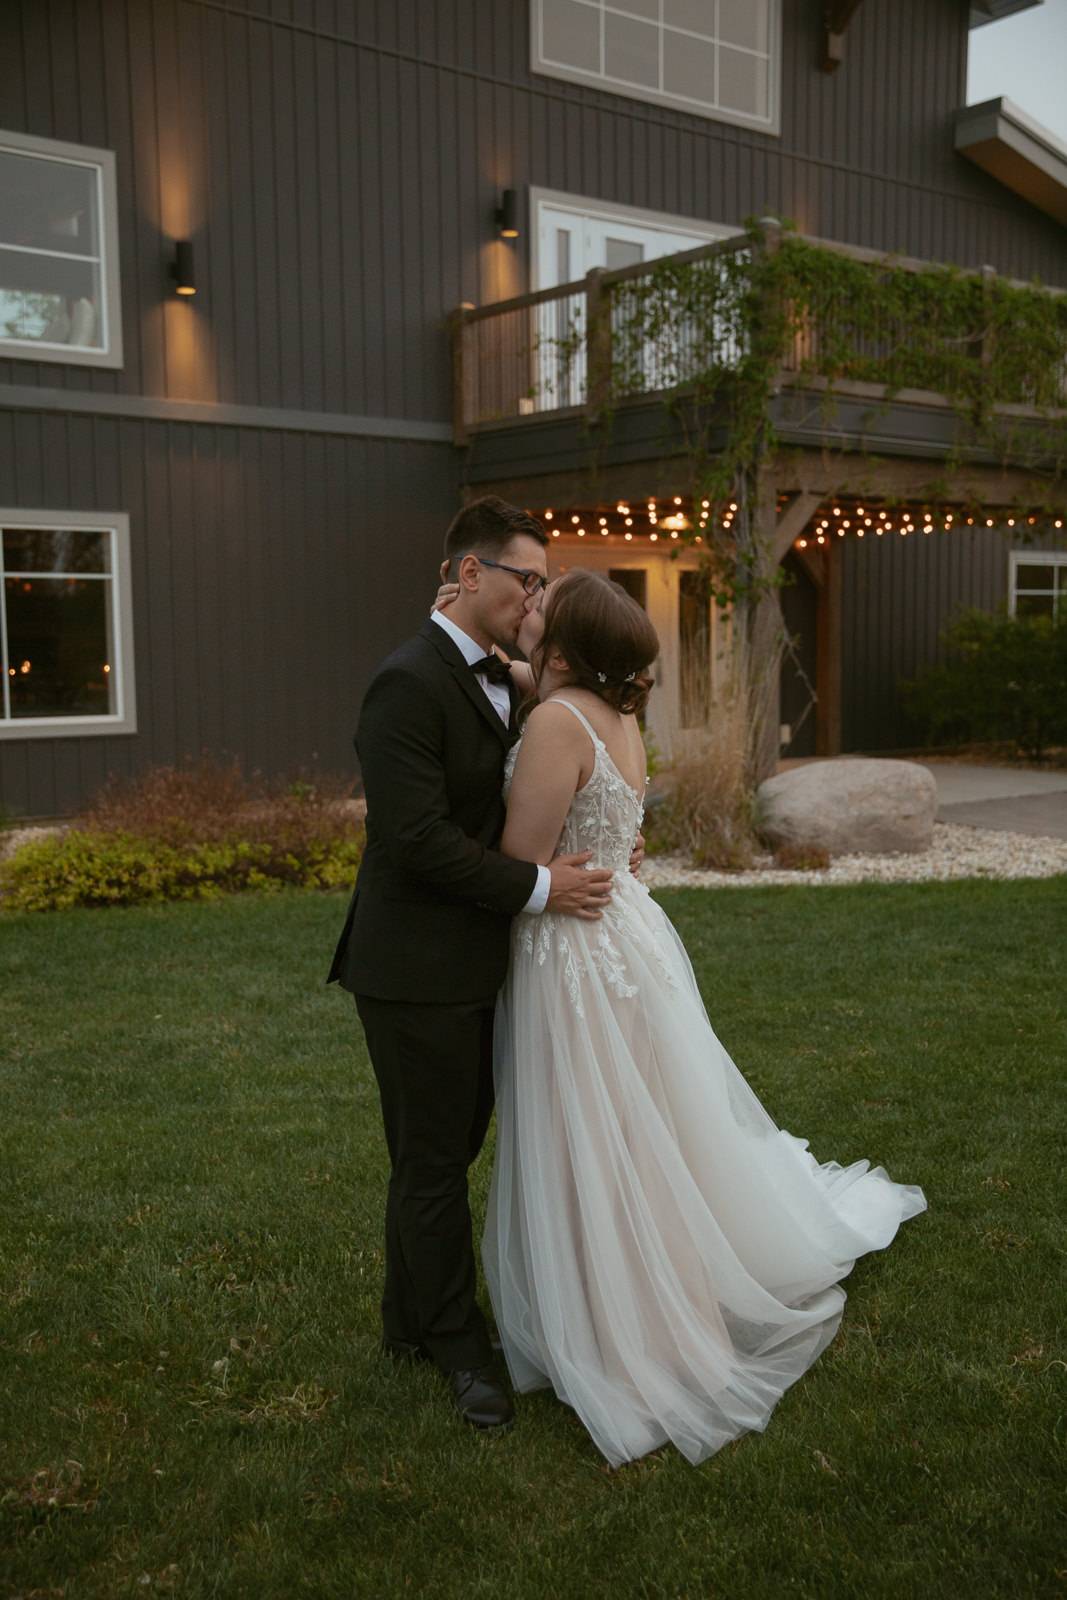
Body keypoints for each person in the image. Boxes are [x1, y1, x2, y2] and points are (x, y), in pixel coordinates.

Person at [441, 566, 927, 1468]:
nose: (530, 603)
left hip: (571, 945)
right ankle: (642, 1287)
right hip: (624, 929)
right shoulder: (615, 714)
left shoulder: (555, 721)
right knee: (638, 1125)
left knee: (589, 1132)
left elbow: (521, 856)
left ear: (566, 650)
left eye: (544, 605)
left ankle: (626, 1322)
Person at [328, 496, 617, 1434]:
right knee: (432, 1164)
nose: (535, 598)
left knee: (441, 1154)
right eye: (526, 579)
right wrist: (538, 887)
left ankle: (406, 1322)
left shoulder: (505, 677)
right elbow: (413, 840)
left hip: (471, 963)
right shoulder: (405, 683)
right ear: (467, 573)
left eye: (542, 584)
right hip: (411, 969)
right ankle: (459, 1348)